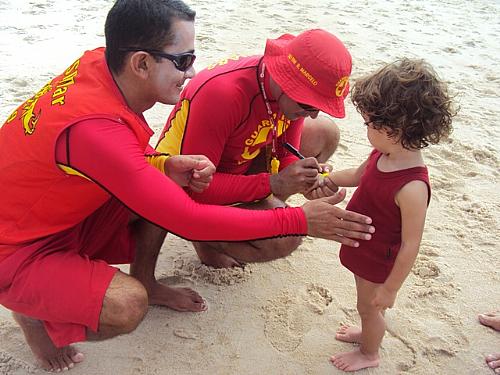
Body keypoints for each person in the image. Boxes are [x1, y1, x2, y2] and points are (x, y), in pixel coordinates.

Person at [0, 0, 375, 372]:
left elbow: (110, 157)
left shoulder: (100, 64)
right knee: (128, 305)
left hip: (49, 211)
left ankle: (84, 284)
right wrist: (301, 221)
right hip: (16, 247)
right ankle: (33, 314)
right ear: (141, 63)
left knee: (163, 187)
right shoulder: (96, 131)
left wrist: (161, 163)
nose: (192, 70)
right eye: (182, 60)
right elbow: (187, 219)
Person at [156, 28, 352, 268]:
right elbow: (196, 187)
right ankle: (208, 239)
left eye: (318, 106)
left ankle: (260, 211)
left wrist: (304, 178)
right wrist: (274, 183)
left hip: (238, 161)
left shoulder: (288, 92)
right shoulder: (224, 94)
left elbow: (287, 149)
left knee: (325, 133)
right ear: (285, 80)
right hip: (185, 185)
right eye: (308, 104)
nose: (312, 114)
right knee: (284, 239)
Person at [308, 58, 455, 371]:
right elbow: (360, 175)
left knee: (370, 306)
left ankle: (369, 353)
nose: (366, 130)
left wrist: (391, 288)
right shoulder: (384, 152)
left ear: (397, 128)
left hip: (380, 260)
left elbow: (411, 245)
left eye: (370, 124)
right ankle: (367, 332)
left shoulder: (413, 186)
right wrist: (330, 179)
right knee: (366, 305)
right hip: (364, 245)